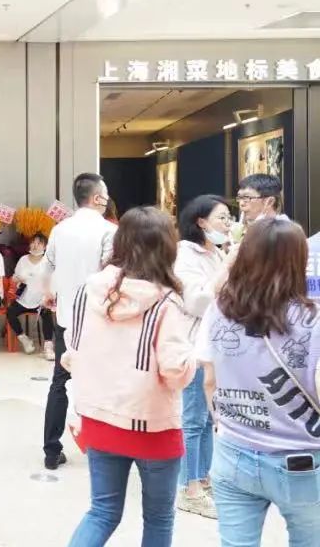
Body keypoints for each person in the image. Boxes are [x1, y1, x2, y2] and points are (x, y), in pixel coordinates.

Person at [63, 207, 195, 547]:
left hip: (98, 417)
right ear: (167, 247)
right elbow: (176, 372)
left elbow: (71, 352)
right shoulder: (166, 302)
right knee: (159, 518)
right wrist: (193, 356)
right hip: (152, 425)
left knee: (102, 512)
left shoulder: (88, 291)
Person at [198, 218, 320, 546]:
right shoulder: (314, 320)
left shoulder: (220, 310)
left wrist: (226, 424)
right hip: (302, 459)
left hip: (233, 450)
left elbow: (209, 381)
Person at [42, 172, 117, 471]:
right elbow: (111, 274)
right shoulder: (109, 231)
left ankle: (51, 450)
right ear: (97, 197)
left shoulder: (60, 229)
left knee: (59, 382)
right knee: (102, 383)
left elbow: (47, 268)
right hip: (98, 319)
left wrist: (49, 294)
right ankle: (102, 448)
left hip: (66, 319)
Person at [172, 195, 232, 520]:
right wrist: (229, 267)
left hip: (216, 345)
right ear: (201, 222)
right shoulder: (185, 254)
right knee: (194, 418)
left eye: (229, 218)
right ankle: (188, 488)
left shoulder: (217, 253)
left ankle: (204, 478)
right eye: (222, 217)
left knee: (209, 417)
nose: (228, 224)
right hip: (195, 346)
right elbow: (195, 301)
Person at [7, 233, 55, 358]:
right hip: (24, 298)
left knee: (47, 313)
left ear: (45, 246)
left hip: (41, 299)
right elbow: (14, 277)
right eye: (33, 242)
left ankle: (48, 347)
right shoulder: (23, 260)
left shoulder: (48, 262)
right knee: (10, 312)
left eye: (39, 243)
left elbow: (53, 282)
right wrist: (18, 279)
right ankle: (24, 339)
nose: (35, 245)